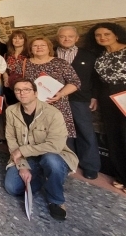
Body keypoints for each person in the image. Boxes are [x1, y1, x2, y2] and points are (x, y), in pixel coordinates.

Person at [4, 79, 79, 221]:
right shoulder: (11, 111)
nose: (22, 93)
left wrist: (23, 151)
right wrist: (22, 166)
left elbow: (55, 146)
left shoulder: (53, 113)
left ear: (36, 93)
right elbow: (12, 141)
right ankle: (44, 178)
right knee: (12, 188)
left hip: (53, 155)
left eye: (27, 89)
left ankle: (56, 201)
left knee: (51, 161)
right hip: (27, 158)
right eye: (18, 90)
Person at [56, 26, 100, 180]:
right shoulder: (51, 53)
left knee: (85, 131)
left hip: (80, 99)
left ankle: (90, 166)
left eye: (70, 36)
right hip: (56, 99)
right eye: (62, 36)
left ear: (77, 38)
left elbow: (95, 78)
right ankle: (68, 162)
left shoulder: (89, 56)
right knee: (63, 132)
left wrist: (94, 97)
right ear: (58, 38)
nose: (66, 39)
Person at [89, 22, 126, 191]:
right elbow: (97, 81)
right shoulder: (100, 57)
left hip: (124, 94)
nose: (102, 38)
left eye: (106, 34)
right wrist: (96, 97)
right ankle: (122, 175)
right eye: (98, 35)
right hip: (108, 98)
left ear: (116, 34)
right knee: (114, 136)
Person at [23, 36, 80, 141]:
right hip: (33, 107)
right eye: (35, 45)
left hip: (57, 106)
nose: (39, 48)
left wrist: (61, 94)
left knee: (59, 140)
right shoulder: (23, 64)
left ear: (49, 48)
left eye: (42, 45)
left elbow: (75, 82)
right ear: (30, 49)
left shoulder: (60, 63)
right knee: (35, 138)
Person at [3, 30, 30, 105]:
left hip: (24, 85)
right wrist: (6, 78)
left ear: (25, 40)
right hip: (10, 85)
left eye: (20, 38)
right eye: (15, 38)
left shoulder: (29, 54)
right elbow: (4, 69)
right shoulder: (7, 55)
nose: (17, 40)